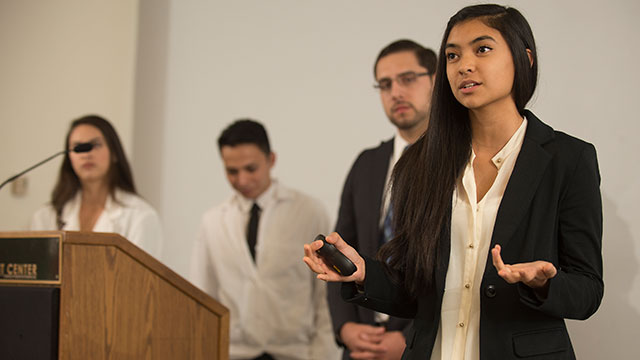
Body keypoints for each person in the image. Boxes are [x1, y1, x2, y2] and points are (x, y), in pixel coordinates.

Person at [304, 4, 603, 360]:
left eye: (483, 49)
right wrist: (365, 272)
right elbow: (417, 290)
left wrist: (544, 282)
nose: (464, 65)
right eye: (451, 55)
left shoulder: (568, 159)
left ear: (525, 58)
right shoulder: (421, 160)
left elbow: (587, 291)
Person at [190, 119, 339, 360]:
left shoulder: (309, 212)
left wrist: (322, 355)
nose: (242, 180)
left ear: (271, 160)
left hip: (294, 353)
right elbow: (202, 296)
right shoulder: (212, 221)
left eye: (251, 169)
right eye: (232, 171)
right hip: (233, 353)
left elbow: (325, 295)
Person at [329, 39, 436, 360]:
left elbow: (455, 268)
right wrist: (345, 328)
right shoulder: (367, 163)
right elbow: (338, 249)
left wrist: (412, 337)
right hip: (361, 345)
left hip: (425, 344)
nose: (396, 93)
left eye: (408, 79)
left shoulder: (460, 162)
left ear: (436, 81)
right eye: (385, 84)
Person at [30, 114, 163, 259]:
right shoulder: (46, 216)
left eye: (96, 145)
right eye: (78, 147)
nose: (86, 154)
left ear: (114, 154)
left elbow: (141, 279)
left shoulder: (140, 216)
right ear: (69, 158)